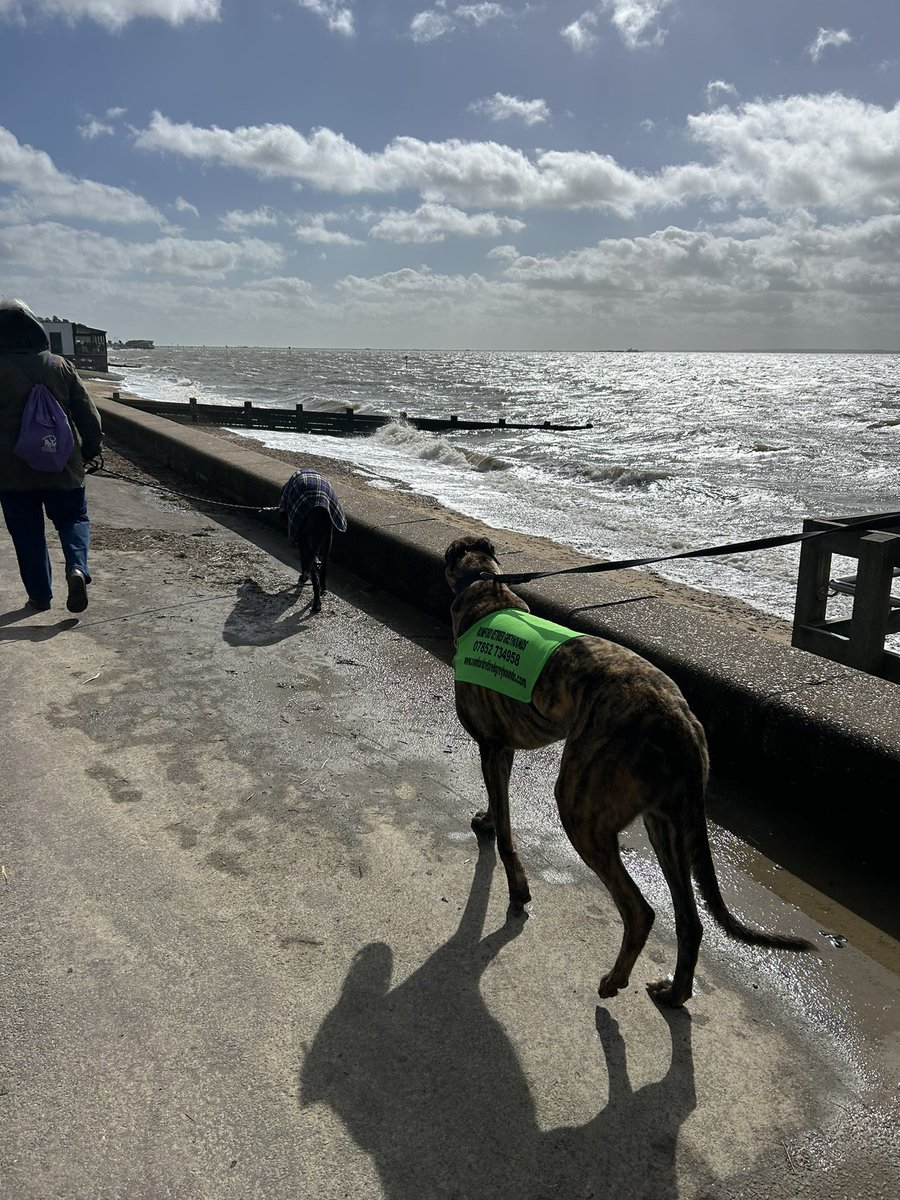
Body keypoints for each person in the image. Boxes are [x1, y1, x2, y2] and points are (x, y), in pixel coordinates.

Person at [0, 299, 103, 613]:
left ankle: (40, 597)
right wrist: (89, 451)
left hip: (11, 471)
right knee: (73, 519)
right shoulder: (60, 365)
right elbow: (89, 417)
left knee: (27, 533)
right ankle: (76, 568)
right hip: (63, 465)